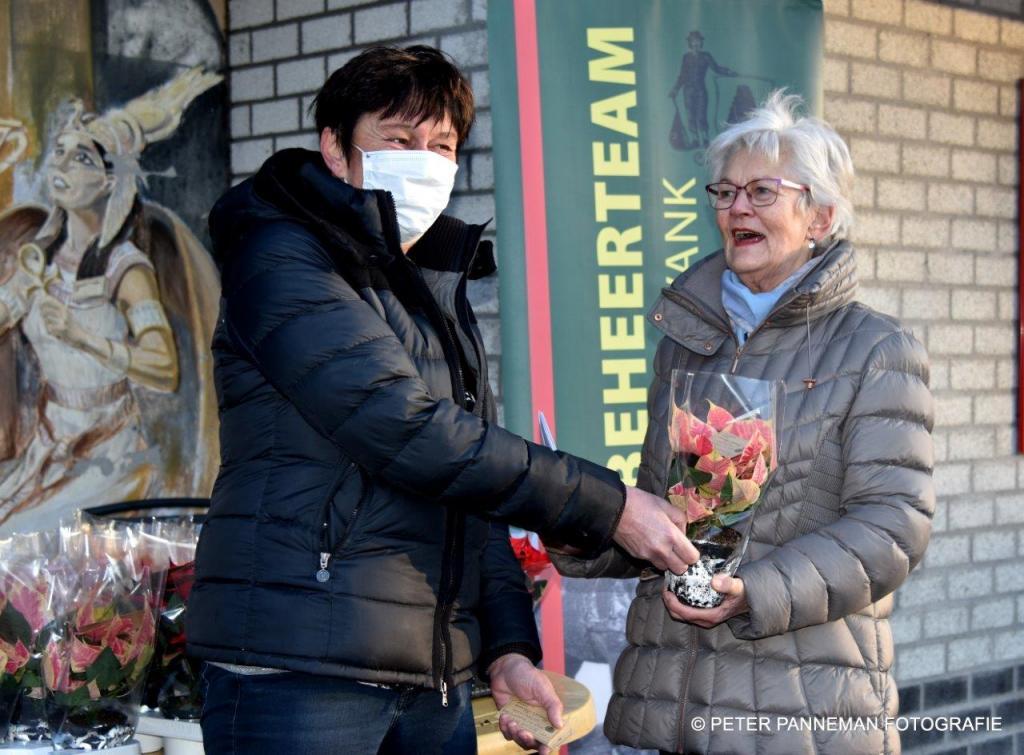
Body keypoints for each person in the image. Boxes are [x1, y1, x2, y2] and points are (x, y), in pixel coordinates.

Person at [186, 45, 697, 755]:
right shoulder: (281, 256)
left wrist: (507, 647)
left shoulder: (428, 283)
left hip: (432, 682)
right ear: (335, 147)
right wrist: (610, 506)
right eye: (398, 140)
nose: (423, 162)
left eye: (442, 145)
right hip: (300, 675)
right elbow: (409, 432)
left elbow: (468, 489)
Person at [552, 91, 934, 754]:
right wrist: (585, 526)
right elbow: (665, 517)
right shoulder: (685, 343)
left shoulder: (876, 348)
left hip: (799, 713)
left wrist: (752, 591)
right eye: (725, 192)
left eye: (762, 192)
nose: (736, 208)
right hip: (673, 703)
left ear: (821, 216)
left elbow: (893, 529)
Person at [0, 68, 221, 532]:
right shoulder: (38, 258)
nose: (61, 166)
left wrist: (80, 336)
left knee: (23, 538)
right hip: (47, 448)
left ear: (107, 181)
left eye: (80, 158)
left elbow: (164, 367)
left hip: (106, 456)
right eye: (59, 153)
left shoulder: (126, 269)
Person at [668, 31, 736, 148]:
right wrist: (675, 89)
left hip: (700, 90)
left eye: (698, 41)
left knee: (701, 115)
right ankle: (695, 140)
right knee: (690, 116)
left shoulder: (706, 56)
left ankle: (705, 139)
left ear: (701, 43)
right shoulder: (686, 58)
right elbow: (682, 76)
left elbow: (716, 68)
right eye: (693, 41)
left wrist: (728, 72)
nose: (696, 44)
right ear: (690, 43)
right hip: (688, 91)